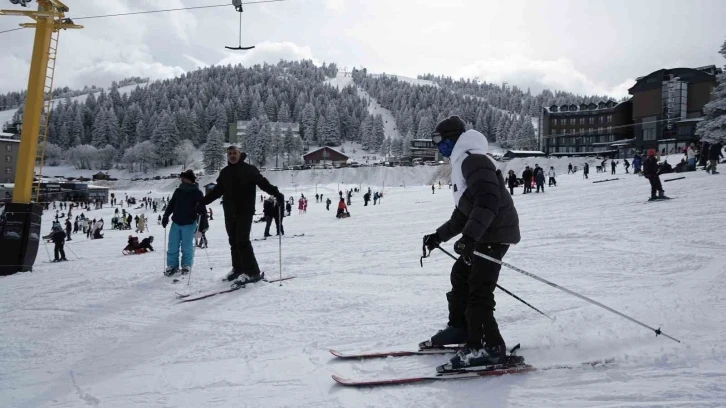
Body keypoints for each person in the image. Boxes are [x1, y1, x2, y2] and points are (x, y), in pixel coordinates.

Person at [422, 115, 521, 370]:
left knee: (479, 288)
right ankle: (461, 328)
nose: (437, 145)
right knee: (461, 274)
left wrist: (469, 238)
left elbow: (488, 201)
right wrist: (438, 236)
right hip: (485, 232)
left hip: (494, 233)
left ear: (452, 138)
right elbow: (464, 212)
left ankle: (488, 346)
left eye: (438, 139)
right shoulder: (464, 162)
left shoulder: (473, 160)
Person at [200, 145, 283, 284]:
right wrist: (202, 202)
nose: (232, 156)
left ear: (240, 154)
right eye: (230, 153)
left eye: (235, 153)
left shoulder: (249, 170)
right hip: (229, 211)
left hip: (245, 211)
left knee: (242, 241)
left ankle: (253, 272)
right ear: (227, 156)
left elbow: (263, 183)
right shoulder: (225, 172)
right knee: (233, 241)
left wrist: (276, 193)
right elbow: (217, 191)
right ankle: (238, 268)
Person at [162, 170, 205, 276]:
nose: (182, 180)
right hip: (176, 222)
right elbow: (172, 204)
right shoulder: (178, 191)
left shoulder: (197, 193)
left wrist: (202, 227)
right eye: (182, 178)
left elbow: (203, 210)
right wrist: (166, 216)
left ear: (190, 179)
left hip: (189, 223)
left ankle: (186, 265)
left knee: (186, 246)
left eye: (184, 178)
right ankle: (172, 265)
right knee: (172, 245)